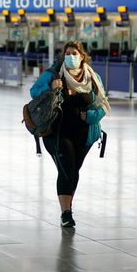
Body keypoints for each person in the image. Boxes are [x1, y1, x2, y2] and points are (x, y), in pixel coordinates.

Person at [30, 40, 111, 228]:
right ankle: (66, 213)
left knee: (73, 171)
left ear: (82, 56)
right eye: (67, 53)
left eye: (74, 53)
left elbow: (102, 105)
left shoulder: (93, 77)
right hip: (57, 132)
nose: (70, 57)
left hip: (84, 134)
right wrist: (50, 87)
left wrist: (90, 116)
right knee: (66, 169)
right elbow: (34, 92)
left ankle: (68, 205)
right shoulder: (53, 74)